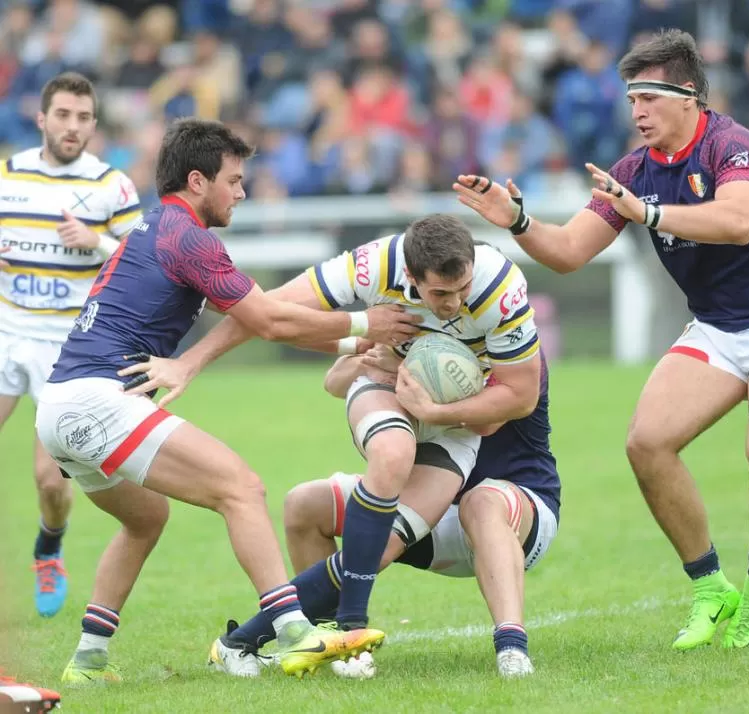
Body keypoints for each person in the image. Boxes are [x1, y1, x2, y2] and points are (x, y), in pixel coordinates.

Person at [453, 29, 749, 649]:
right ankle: (711, 589)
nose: (637, 112)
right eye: (631, 100)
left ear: (687, 94)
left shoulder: (733, 146)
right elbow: (571, 250)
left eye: (649, 98)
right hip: (717, 329)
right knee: (647, 444)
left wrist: (647, 214)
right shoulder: (633, 172)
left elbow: (738, 222)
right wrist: (518, 221)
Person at [33, 118, 416, 684]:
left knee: (146, 520)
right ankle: (294, 631)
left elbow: (260, 323)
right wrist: (369, 317)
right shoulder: (190, 237)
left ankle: (87, 661)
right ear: (197, 181)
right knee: (242, 488)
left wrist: (357, 341)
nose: (241, 192)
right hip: (99, 399)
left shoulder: (158, 229)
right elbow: (266, 318)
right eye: (234, 181)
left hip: (59, 409)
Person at [121, 215, 544, 670]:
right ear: (410, 276)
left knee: (375, 550)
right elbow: (265, 311)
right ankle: (350, 630)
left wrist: (436, 410)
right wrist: (191, 362)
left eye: (462, 289)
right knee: (392, 451)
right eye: (441, 294)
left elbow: (519, 398)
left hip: (454, 430)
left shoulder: (499, 287)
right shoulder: (374, 266)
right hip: (385, 389)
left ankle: (237, 645)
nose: (455, 304)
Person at [210, 344, 559, 679]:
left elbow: (486, 423)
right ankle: (332, 641)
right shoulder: (407, 320)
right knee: (304, 502)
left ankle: (512, 648)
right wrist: (372, 360)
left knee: (481, 501)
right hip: (430, 511)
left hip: (517, 512)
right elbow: (334, 381)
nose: (450, 303)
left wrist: (410, 373)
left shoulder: (513, 340)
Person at [0, 72, 142, 618]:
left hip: (65, 346)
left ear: (94, 124)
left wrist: (97, 241)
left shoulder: (111, 185)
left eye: (83, 117)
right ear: (41, 118)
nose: (72, 126)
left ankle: (49, 547)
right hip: (7, 328)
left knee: (49, 481)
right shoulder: (9, 175)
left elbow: (142, 263)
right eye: (62, 114)